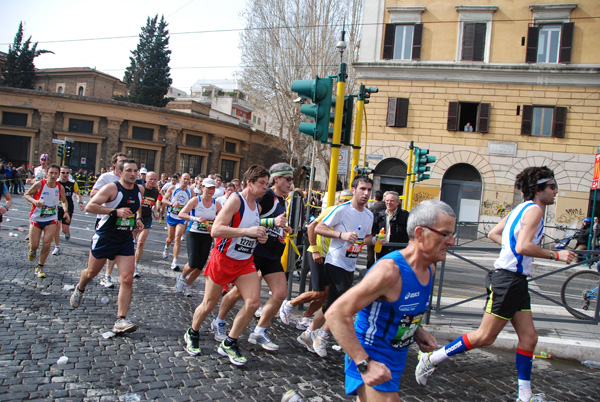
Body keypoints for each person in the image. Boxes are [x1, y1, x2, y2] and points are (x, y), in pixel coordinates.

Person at [415, 167, 576, 402]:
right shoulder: (534, 211)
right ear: (538, 189)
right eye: (552, 186)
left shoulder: (520, 209)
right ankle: (432, 358)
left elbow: (493, 233)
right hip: (508, 280)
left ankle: (525, 396)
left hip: (515, 281)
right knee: (485, 337)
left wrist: (513, 249)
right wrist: (555, 256)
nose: (556, 191)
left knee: (529, 338)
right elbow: (522, 247)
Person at [326, 200, 455, 401]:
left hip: (395, 362)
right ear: (420, 233)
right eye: (445, 234)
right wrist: (364, 363)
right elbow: (335, 313)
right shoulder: (389, 272)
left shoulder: (429, 268)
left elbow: (398, 309)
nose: (452, 242)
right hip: (371, 356)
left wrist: (417, 331)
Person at [183, 165, 269, 366]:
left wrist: (260, 236)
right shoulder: (235, 201)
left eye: (267, 183)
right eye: (262, 183)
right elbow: (216, 230)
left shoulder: (258, 207)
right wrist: (248, 231)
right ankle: (192, 332)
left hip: (244, 262)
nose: (266, 187)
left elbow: (252, 233)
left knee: (253, 303)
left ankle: (230, 342)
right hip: (222, 259)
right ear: (249, 182)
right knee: (209, 304)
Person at [297, 175, 382, 358]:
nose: (366, 193)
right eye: (362, 189)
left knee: (331, 304)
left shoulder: (369, 214)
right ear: (354, 190)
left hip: (350, 263)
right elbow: (318, 228)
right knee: (343, 303)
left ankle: (308, 333)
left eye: (369, 190)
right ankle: (322, 335)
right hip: (335, 261)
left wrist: (374, 239)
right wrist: (341, 235)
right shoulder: (341, 210)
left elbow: (364, 238)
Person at [211, 163, 293, 351]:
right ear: (277, 179)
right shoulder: (266, 196)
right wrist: (273, 221)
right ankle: (219, 320)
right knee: (239, 292)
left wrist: (282, 228)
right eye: (288, 179)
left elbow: (270, 224)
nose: (291, 183)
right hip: (255, 252)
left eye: (292, 180)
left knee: (280, 293)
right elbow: (251, 220)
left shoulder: (282, 201)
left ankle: (259, 331)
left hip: (273, 253)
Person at [70, 159, 144, 334]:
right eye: (129, 170)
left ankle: (121, 320)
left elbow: (137, 206)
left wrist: (138, 219)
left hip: (125, 238)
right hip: (105, 237)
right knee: (91, 273)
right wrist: (114, 211)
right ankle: (80, 289)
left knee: (127, 279)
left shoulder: (139, 189)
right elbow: (90, 206)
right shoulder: (112, 188)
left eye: (135, 171)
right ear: (120, 172)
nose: (133, 174)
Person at [279, 190, 353, 330]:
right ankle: (289, 304)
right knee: (318, 292)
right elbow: (312, 227)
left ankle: (305, 318)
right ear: (343, 201)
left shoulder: (351, 215)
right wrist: (314, 249)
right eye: (348, 202)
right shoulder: (333, 210)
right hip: (318, 253)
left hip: (331, 257)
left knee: (325, 294)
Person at [176, 177, 222, 296]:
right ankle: (182, 277)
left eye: (213, 188)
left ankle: (187, 285)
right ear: (203, 188)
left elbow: (223, 218)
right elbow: (182, 214)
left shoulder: (216, 204)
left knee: (200, 265)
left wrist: (216, 221)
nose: (211, 191)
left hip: (207, 235)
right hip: (193, 233)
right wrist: (196, 219)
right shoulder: (196, 200)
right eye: (208, 188)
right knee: (193, 262)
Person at [24, 164, 70, 278]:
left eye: (56, 173)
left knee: (46, 243)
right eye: (51, 173)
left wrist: (65, 211)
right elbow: (26, 194)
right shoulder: (40, 184)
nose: (53, 176)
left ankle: (40, 266)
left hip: (51, 218)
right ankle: (32, 250)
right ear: (46, 174)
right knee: (34, 245)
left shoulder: (60, 187)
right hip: (36, 218)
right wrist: (35, 201)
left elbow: (64, 201)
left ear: (58, 175)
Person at [92, 152, 128, 289]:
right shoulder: (106, 177)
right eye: (121, 161)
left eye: (125, 161)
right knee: (96, 261)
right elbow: (93, 193)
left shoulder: (129, 179)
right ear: (114, 163)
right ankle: (90, 275)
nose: (123, 164)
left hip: (121, 221)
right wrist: (109, 197)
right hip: (104, 219)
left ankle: (107, 275)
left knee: (114, 251)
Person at [162, 173, 192, 271]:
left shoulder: (190, 190)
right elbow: (164, 199)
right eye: (184, 179)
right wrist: (172, 204)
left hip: (181, 217)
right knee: (170, 238)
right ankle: (166, 247)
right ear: (180, 179)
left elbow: (193, 202)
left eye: (188, 179)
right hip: (172, 215)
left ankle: (174, 261)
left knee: (178, 237)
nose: (186, 181)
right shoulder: (173, 188)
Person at [133, 171, 160, 278]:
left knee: (140, 243)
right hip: (135, 217)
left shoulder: (155, 192)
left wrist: (155, 211)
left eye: (154, 179)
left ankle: (135, 266)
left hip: (147, 218)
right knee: (131, 241)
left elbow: (152, 204)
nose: (152, 182)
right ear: (146, 179)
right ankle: (127, 262)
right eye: (150, 179)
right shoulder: (139, 189)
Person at [52, 166, 84, 255]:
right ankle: (57, 247)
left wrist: (80, 202)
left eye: (67, 173)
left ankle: (67, 232)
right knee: (56, 226)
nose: (65, 175)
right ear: (59, 173)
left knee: (64, 229)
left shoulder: (72, 183)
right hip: (57, 206)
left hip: (68, 206)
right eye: (63, 173)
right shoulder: (56, 182)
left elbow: (77, 193)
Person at [372, 191, 410, 260]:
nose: (389, 203)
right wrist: (375, 237)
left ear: (397, 202)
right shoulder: (379, 215)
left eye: (392, 201)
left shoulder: (405, 216)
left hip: (399, 252)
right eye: (387, 200)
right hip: (382, 251)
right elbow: (372, 231)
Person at [366, 190, 386, 269]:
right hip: (382, 231)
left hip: (372, 231)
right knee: (380, 252)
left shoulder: (372, 209)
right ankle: (379, 268)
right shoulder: (386, 207)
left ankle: (369, 268)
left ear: (374, 198)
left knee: (370, 252)